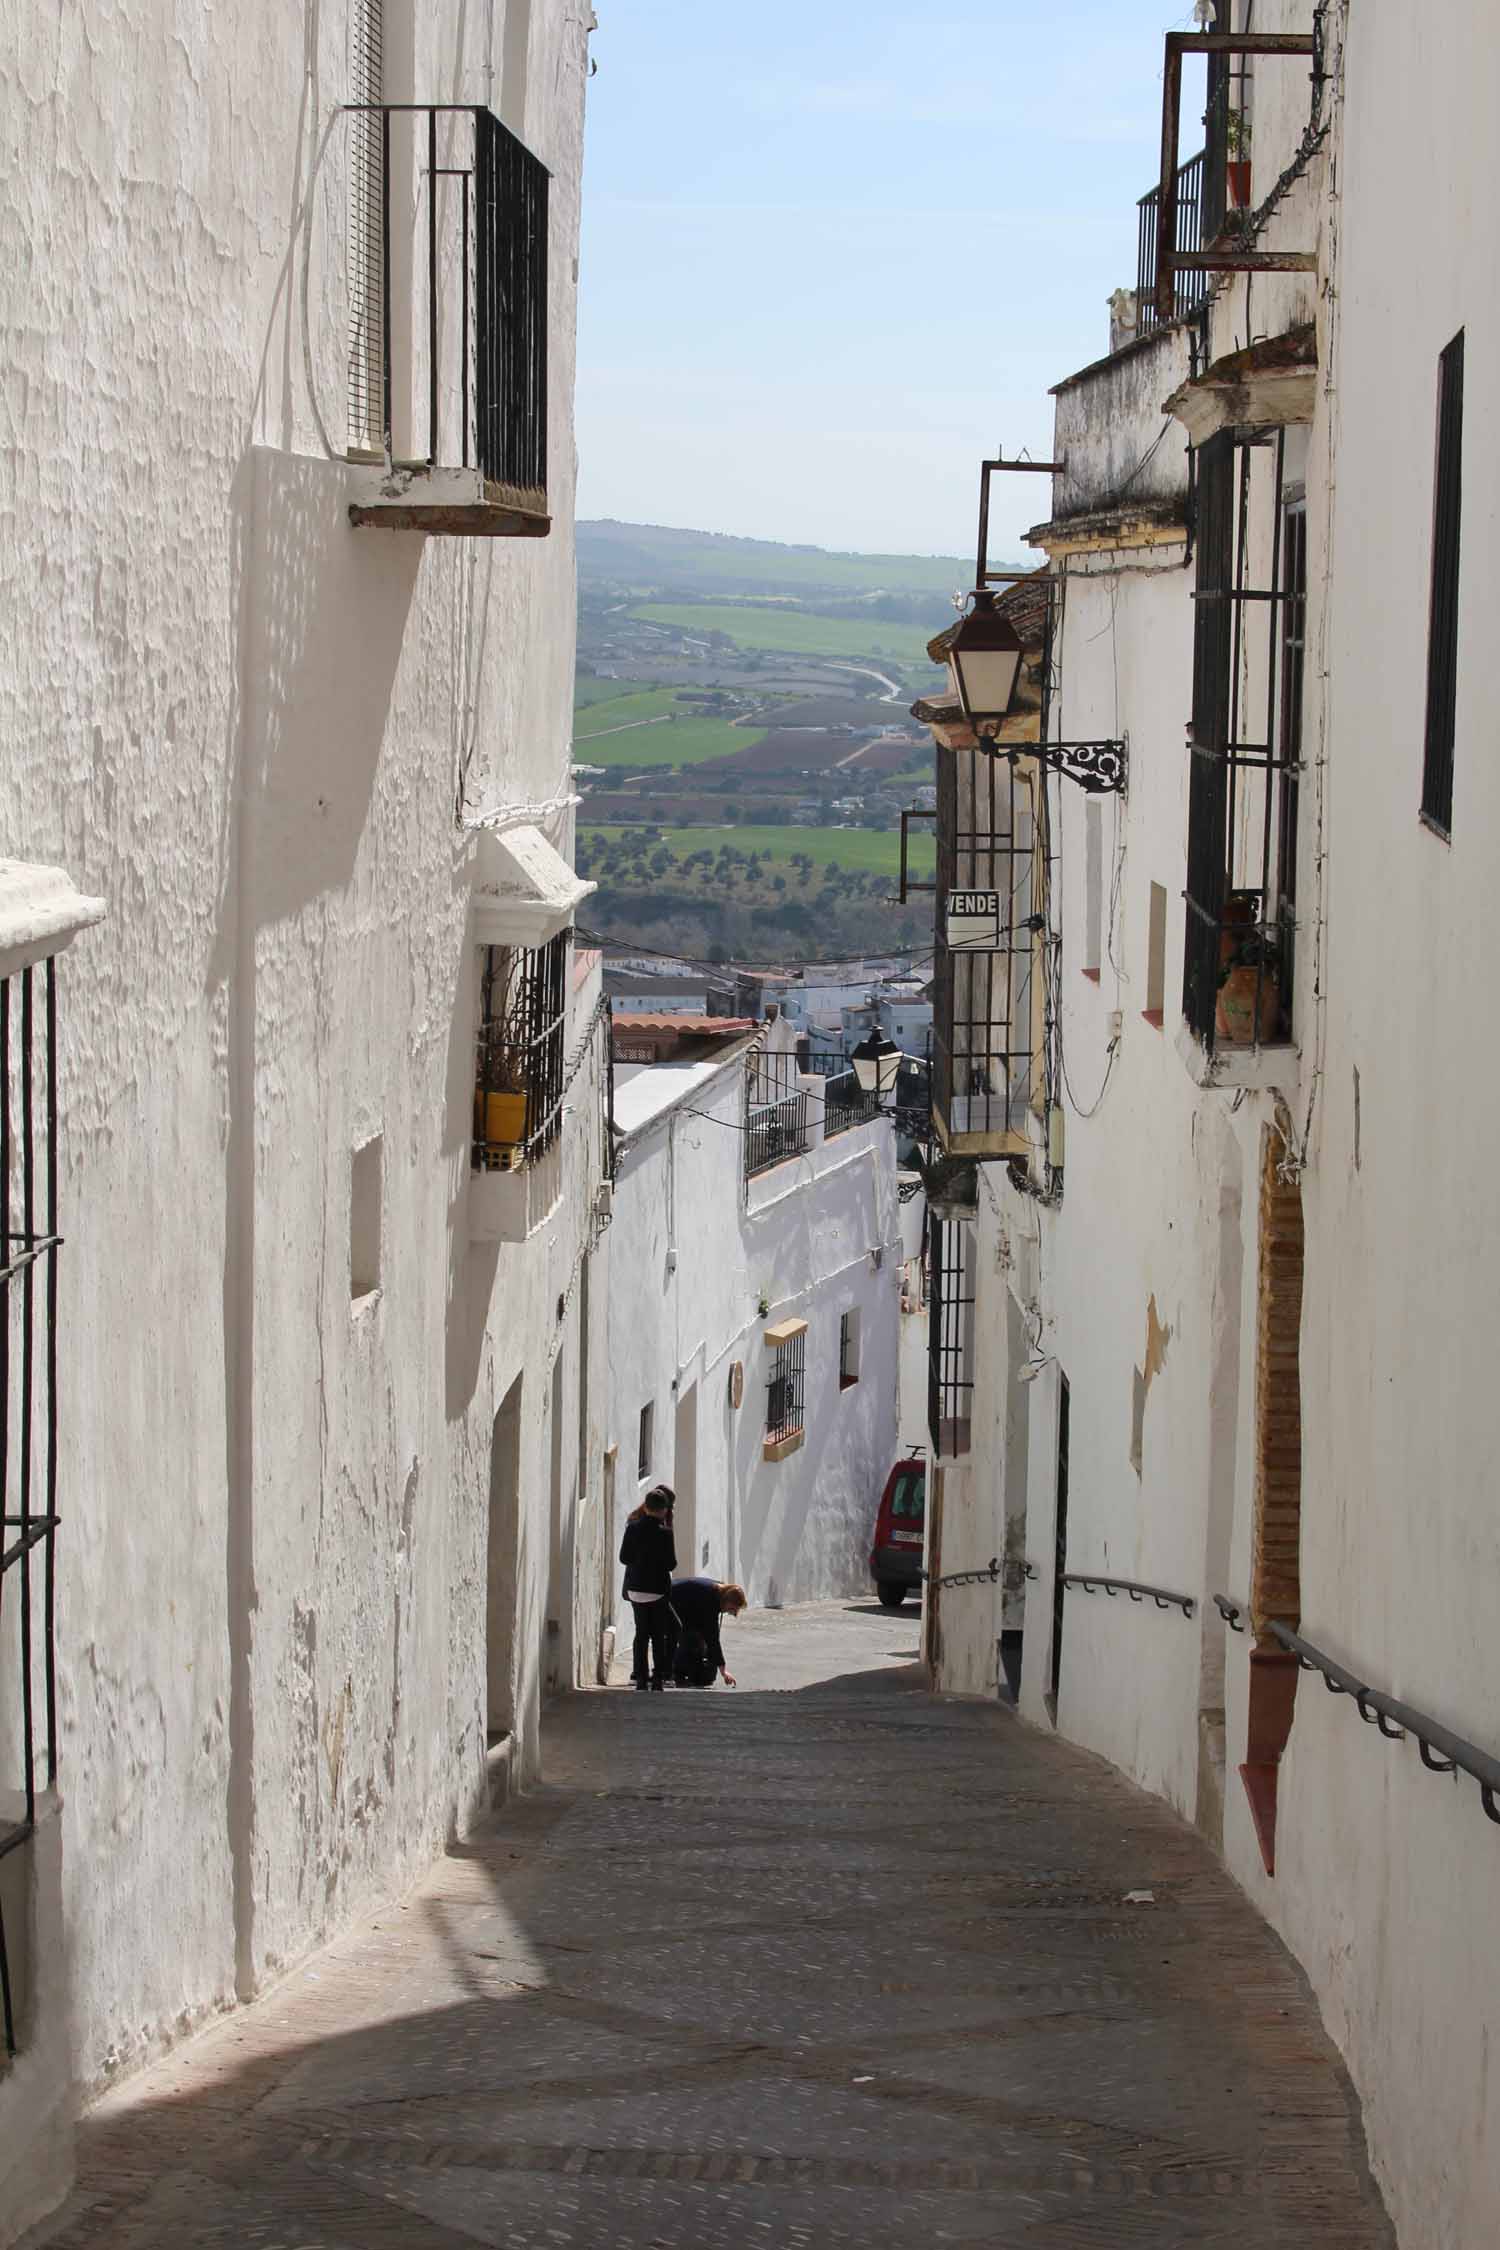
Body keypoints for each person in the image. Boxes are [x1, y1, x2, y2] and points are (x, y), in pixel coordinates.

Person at [620, 1485, 677, 1690]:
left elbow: (623, 1558)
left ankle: (641, 1679)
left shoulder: (632, 1527)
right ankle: (658, 1679)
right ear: (663, 1510)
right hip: (658, 1591)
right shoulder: (665, 1533)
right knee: (658, 1635)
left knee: (641, 1634)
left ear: (646, 1507)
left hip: (636, 1588)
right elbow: (671, 1564)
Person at [669, 1577, 747, 1689]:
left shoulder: (719, 1591)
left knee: (695, 1637)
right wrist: (723, 1671)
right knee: (689, 1638)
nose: (731, 1613)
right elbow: (713, 1639)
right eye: (732, 1609)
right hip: (670, 1600)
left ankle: (678, 1672)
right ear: (726, 1601)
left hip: (682, 1602)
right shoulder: (711, 1600)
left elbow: (711, 1636)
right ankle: (676, 1674)